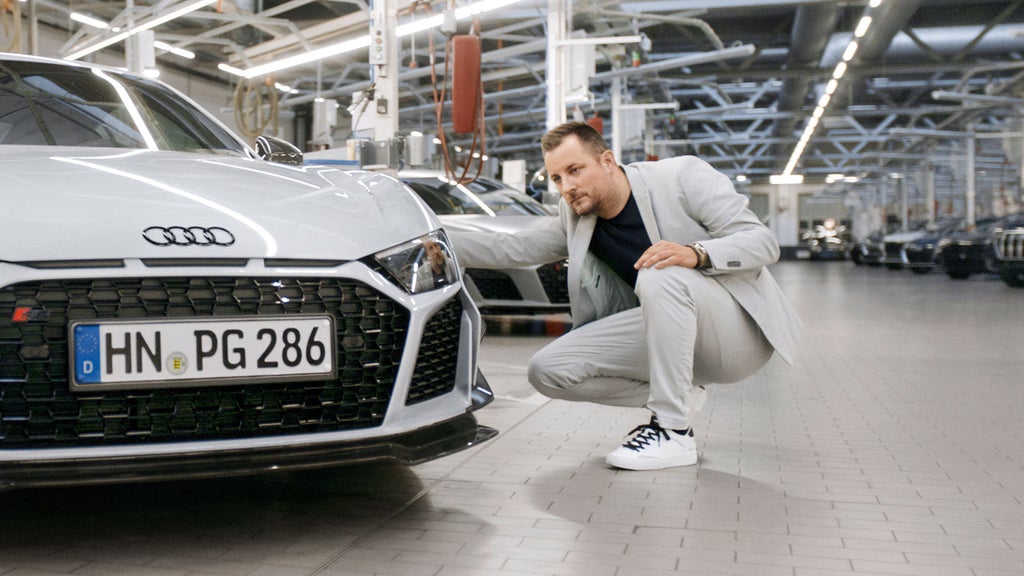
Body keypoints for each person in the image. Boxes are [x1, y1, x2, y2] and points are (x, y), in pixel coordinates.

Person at [448, 122, 801, 471]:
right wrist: (437, 242)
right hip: (667, 336)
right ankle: (680, 398)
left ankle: (673, 431)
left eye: (575, 170)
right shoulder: (577, 217)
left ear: (607, 161)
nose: (567, 187)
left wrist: (695, 253)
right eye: (557, 178)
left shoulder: (682, 177)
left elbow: (763, 242)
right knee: (548, 370)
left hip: (735, 335)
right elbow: (512, 247)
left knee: (659, 270)